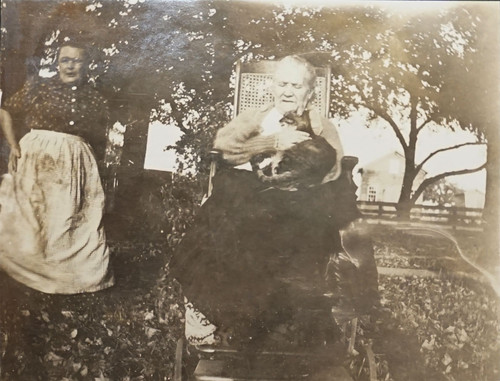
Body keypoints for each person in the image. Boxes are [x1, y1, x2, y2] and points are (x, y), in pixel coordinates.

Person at [169, 55, 375, 346]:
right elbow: (225, 148)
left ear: (309, 91)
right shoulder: (255, 117)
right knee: (226, 210)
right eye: (282, 84)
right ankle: (209, 313)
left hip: (299, 199)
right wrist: (270, 142)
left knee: (295, 225)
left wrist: (306, 161)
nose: (288, 91)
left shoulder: (321, 125)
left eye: (296, 85)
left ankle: (269, 323)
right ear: (272, 86)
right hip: (249, 195)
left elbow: (334, 167)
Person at [0, 41, 114, 294]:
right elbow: (6, 110)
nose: (71, 66)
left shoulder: (94, 97)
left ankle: (64, 275)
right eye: (65, 60)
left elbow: (97, 136)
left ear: (86, 64)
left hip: (74, 161)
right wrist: (13, 146)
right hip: (37, 157)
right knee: (32, 213)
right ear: (57, 62)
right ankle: (21, 271)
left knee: (65, 217)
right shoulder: (38, 87)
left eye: (77, 60)